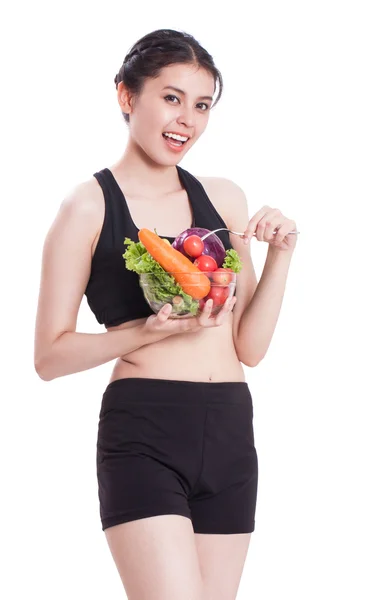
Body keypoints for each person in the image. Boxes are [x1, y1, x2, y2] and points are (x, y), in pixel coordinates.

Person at [34, 28, 298, 600]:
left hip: (230, 426)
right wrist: (142, 331)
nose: (188, 120)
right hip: (145, 430)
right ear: (127, 96)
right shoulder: (88, 206)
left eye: (202, 105)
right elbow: (49, 356)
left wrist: (282, 255)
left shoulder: (223, 199)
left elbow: (249, 348)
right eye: (172, 98)